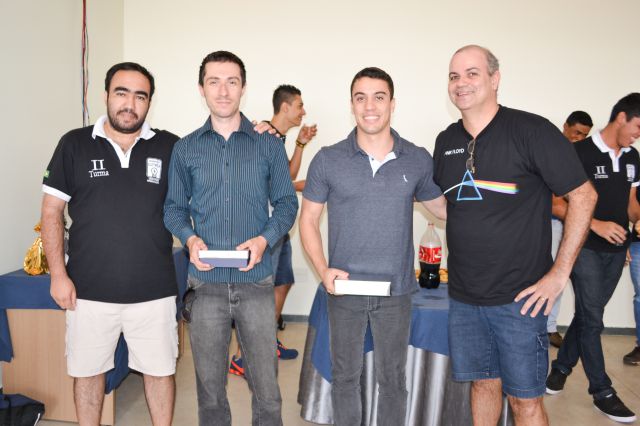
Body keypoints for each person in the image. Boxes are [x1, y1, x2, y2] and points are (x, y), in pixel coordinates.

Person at [433, 45, 597, 426]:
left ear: (495, 79)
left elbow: (584, 196)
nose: (461, 83)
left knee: (525, 403)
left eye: (472, 73)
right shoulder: (446, 141)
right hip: (465, 297)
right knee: (483, 385)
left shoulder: (532, 131)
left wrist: (559, 274)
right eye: (454, 76)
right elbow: (449, 204)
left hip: (520, 301)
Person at [299, 67, 446, 426]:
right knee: (345, 379)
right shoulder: (328, 159)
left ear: (392, 104)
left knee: (393, 380)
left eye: (379, 97)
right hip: (345, 290)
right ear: (351, 105)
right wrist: (323, 270)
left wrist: (497, 208)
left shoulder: (417, 158)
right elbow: (308, 220)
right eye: (361, 97)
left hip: (396, 292)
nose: (370, 106)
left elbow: (445, 210)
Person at [163, 50, 297, 426]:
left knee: (267, 391)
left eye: (231, 82)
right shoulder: (185, 148)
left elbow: (287, 204)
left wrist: (264, 240)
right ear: (201, 88)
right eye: (214, 82)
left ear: (243, 88)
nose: (223, 91)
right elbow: (173, 209)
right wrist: (189, 239)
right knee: (209, 393)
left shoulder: (268, 144)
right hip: (205, 287)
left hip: (256, 284)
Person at [40, 62, 179, 426]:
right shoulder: (74, 144)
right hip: (87, 291)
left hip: (154, 291)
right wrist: (58, 275)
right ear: (106, 95)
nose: (130, 104)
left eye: (140, 96)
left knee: (160, 373)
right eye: (121, 93)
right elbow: (51, 212)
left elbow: (209, 182)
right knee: (87, 374)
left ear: (149, 102)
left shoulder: (170, 146)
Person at [546, 93, 640, 423]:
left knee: (588, 316)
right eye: (638, 126)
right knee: (593, 319)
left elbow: (630, 204)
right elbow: (557, 203)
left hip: (616, 251)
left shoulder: (633, 157)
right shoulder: (578, 152)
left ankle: (560, 370)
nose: (638, 135)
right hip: (582, 246)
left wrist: (636, 220)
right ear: (621, 118)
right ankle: (602, 391)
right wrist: (596, 224)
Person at [229, 85, 317, 377]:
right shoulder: (262, 134)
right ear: (285, 107)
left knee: (283, 283)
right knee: (259, 291)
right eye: (299, 105)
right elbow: (274, 182)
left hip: (278, 225)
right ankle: (241, 356)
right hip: (262, 229)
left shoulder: (277, 138)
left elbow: (285, 176)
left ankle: (267, 340)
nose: (303, 111)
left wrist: (301, 144)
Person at [548, 110, 594, 348]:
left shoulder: (582, 157)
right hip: (548, 223)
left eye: (584, 135)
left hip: (570, 225)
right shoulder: (552, 150)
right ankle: (539, 327)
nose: (579, 138)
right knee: (544, 273)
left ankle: (550, 327)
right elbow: (555, 202)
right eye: (576, 132)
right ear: (565, 126)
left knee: (561, 274)